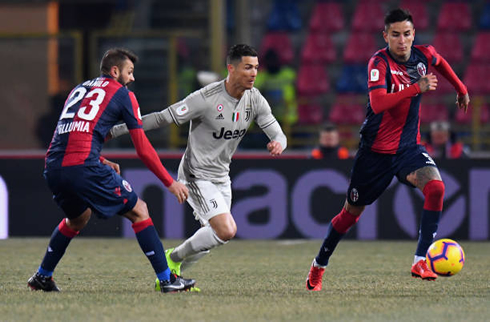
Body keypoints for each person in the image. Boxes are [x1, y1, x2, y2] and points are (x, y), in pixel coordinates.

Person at [305, 9, 470, 291]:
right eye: (395, 35)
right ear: (386, 36)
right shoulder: (378, 62)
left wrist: (461, 88)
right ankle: (319, 265)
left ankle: (421, 260)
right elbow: (379, 103)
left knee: (436, 188)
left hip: (408, 148)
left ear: (413, 34)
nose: (402, 40)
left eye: (407, 34)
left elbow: (440, 62)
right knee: (349, 215)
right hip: (375, 153)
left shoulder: (423, 54)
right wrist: (415, 88)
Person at [110, 44, 287, 280]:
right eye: (247, 67)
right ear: (231, 69)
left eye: (256, 67)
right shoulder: (206, 98)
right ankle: (171, 259)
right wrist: (117, 130)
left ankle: (173, 273)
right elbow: (164, 117)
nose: (254, 73)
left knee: (215, 236)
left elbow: (279, 134)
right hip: (196, 174)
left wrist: (278, 143)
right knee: (226, 230)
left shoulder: (255, 100)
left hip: (222, 176)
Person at [27, 48, 196, 293]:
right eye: (130, 72)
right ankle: (167, 280)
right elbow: (143, 148)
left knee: (77, 219)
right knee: (139, 210)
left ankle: (43, 276)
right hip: (83, 167)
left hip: (54, 166)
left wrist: (99, 159)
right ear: (115, 71)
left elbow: (70, 132)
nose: (132, 78)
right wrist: (169, 182)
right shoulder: (123, 94)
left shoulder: (79, 89)